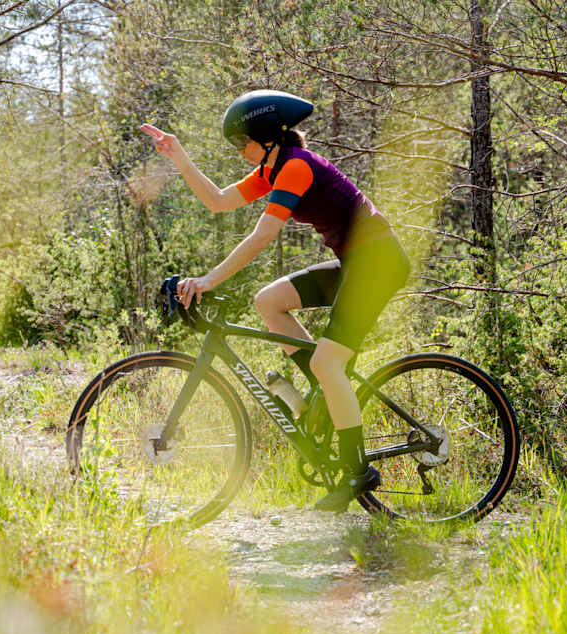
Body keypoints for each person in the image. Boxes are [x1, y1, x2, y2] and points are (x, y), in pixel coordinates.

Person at [140, 90, 410, 512]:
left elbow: (262, 236)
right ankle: (320, 397)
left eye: (240, 142)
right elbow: (218, 201)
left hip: (377, 263)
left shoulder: (297, 168)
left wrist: (209, 280)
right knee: (268, 301)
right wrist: (178, 156)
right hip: (356, 262)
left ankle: (358, 472)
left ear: (266, 138)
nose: (237, 151)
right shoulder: (273, 169)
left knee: (327, 362)